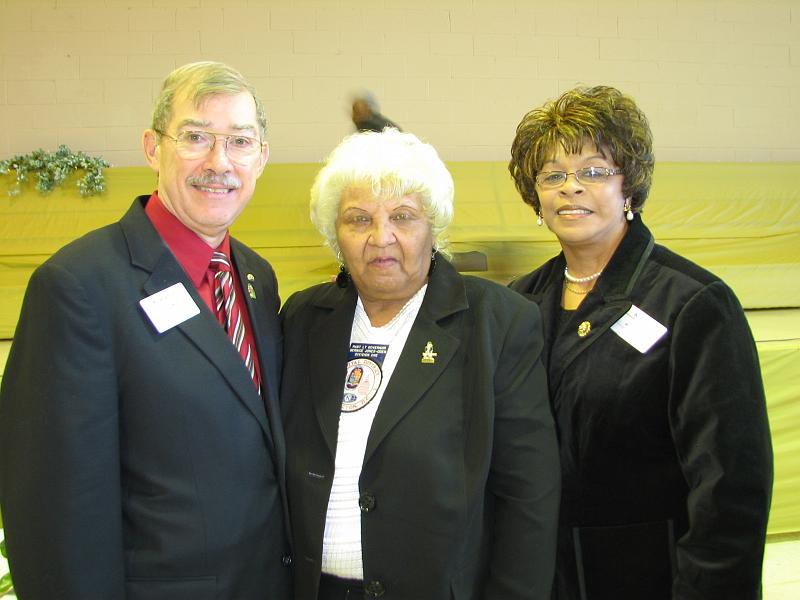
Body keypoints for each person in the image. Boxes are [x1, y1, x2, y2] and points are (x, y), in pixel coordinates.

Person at [0, 61, 292, 599]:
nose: (218, 162)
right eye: (195, 137)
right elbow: (50, 507)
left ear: (263, 157)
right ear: (152, 148)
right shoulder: (79, 287)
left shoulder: (257, 278)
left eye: (239, 141)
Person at [508, 85, 773, 600]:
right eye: (553, 175)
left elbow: (731, 488)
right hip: (542, 578)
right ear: (535, 196)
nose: (571, 188)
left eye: (594, 171)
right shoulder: (518, 304)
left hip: (654, 578)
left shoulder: (694, 304)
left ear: (628, 187)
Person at [280, 128, 560, 600]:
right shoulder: (302, 317)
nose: (380, 237)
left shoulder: (498, 321)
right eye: (358, 218)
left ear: (433, 227)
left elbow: (529, 497)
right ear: (335, 234)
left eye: (402, 217)